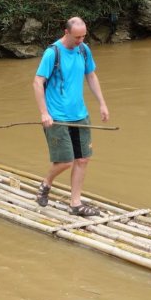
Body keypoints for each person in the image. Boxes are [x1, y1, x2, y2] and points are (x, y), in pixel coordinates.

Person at [32, 17, 109, 217]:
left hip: (80, 114)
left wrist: (102, 103)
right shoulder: (53, 53)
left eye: (83, 36)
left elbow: (91, 75)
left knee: (82, 159)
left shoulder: (84, 50)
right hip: (57, 116)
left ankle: (75, 203)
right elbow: (38, 82)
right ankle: (46, 183)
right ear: (66, 32)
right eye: (77, 37)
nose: (81, 40)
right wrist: (44, 113)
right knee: (65, 161)